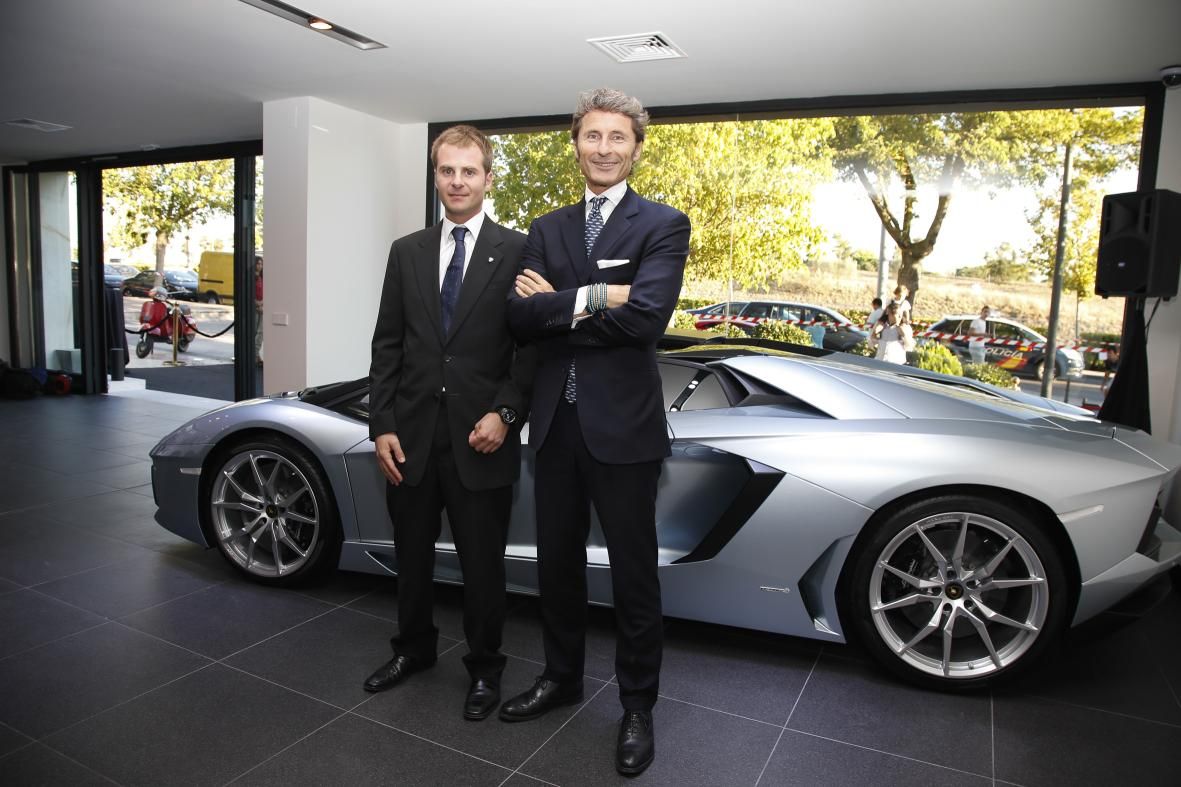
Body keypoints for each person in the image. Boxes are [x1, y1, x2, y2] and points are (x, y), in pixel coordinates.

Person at [501, 88, 690, 776]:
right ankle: (561, 677)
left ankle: (637, 705)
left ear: (636, 148)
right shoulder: (546, 226)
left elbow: (645, 319)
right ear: (575, 144)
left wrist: (556, 303)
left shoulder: (663, 224)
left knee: (634, 576)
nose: (603, 148)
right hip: (554, 423)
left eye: (617, 138)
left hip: (624, 430)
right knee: (556, 566)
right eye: (591, 136)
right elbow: (516, 321)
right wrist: (598, 295)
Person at [364, 125, 534, 722]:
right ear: (435, 176)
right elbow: (388, 345)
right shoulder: (405, 251)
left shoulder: (518, 251)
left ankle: (485, 670)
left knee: (482, 567)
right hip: (408, 438)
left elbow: (529, 351)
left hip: (481, 439)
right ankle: (412, 650)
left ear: (488, 178)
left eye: (469, 171)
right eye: (446, 170)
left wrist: (506, 414)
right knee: (410, 556)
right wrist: (380, 422)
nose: (457, 181)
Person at [254, 255, 264, 366]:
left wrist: (262, 303)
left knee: (261, 332)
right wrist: (256, 303)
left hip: (262, 306)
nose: (260, 266)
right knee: (254, 331)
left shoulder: (263, 277)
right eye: (258, 263)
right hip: (255, 307)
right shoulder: (252, 278)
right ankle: (254, 355)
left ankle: (256, 354)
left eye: (261, 264)